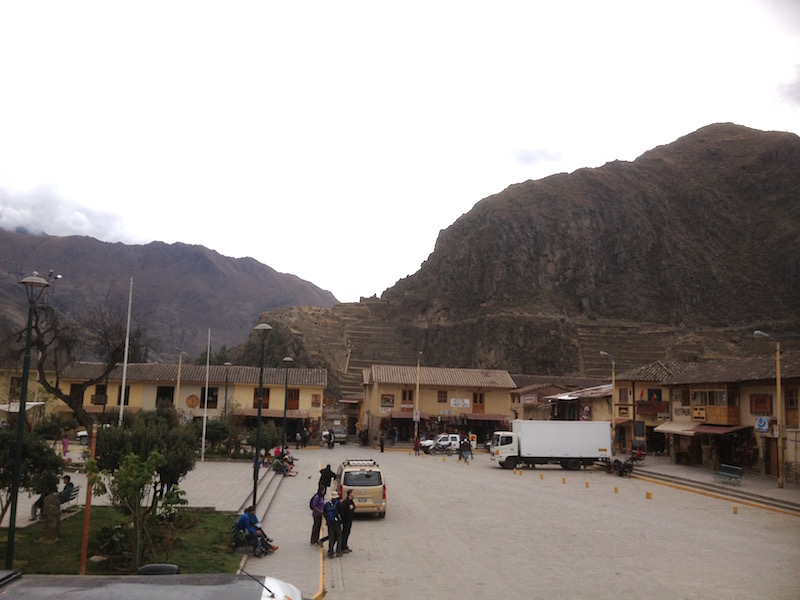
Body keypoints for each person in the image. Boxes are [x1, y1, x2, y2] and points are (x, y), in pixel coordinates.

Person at [323, 490, 343, 558]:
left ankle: (330, 552)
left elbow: (324, 513)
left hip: (329, 522)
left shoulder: (327, 504)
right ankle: (338, 551)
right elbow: (341, 513)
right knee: (339, 535)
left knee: (331, 536)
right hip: (336, 522)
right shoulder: (338, 504)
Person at [340, 489, 356, 553]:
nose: (354, 494)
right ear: (350, 494)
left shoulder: (351, 501)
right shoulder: (346, 502)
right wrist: (350, 508)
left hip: (349, 519)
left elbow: (353, 507)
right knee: (345, 532)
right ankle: (342, 546)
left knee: (347, 532)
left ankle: (345, 545)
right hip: (346, 520)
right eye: (353, 493)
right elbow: (345, 510)